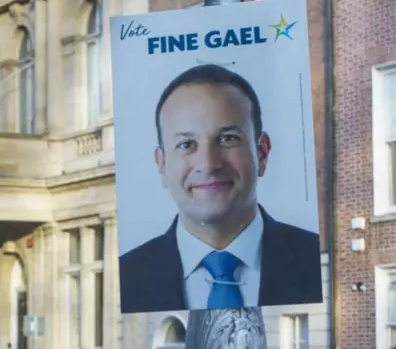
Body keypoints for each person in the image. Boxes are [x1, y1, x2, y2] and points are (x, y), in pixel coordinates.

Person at [118, 64, 322, 313]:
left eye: (228, 139)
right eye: (186, 144)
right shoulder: (128, 276)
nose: (208, 164)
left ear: (262, 152)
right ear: (162, 164)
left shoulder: (314, 260)